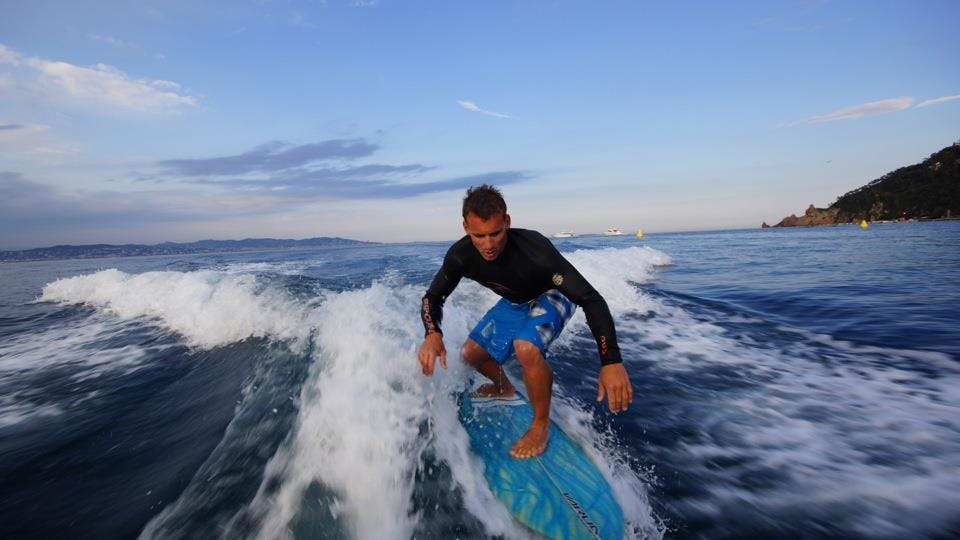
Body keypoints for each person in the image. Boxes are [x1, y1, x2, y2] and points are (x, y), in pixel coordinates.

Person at [418, 184, 633, 458]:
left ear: (507, 222)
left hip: (552, 295)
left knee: (525, 347)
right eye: (479, 236)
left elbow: (591, 298)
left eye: (495, 233)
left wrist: (611, 360)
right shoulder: (460, 256)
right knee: (470, 355)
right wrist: (432, 333)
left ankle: (540, 424)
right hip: (516, 301)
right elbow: (433, 296)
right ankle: (503, 387)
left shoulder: (535, 250)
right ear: (465, 228)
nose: (488, 245)